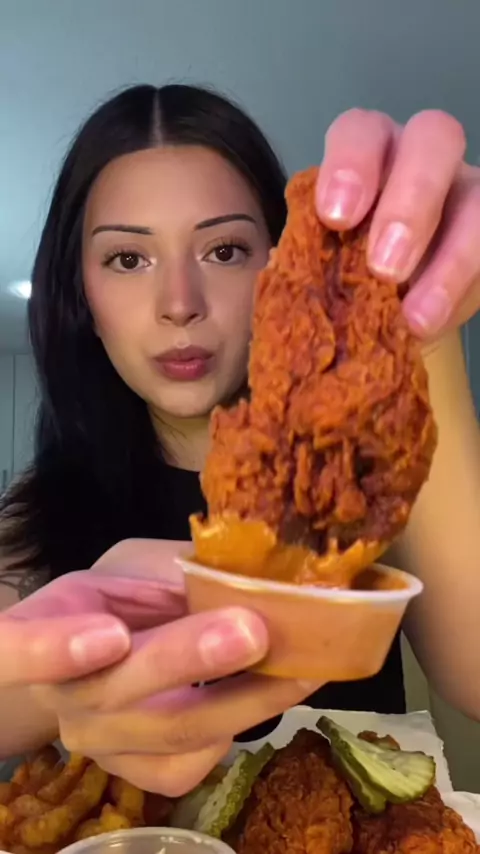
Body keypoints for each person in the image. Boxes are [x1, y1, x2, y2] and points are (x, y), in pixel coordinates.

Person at [0, 83, 479, 796]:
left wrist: (420, 322)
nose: (179, 304)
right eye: (128, 259)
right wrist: (65, 673)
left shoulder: (355, 483)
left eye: (224, 250)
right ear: (83, 300)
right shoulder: (35, 513)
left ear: (280, 272)